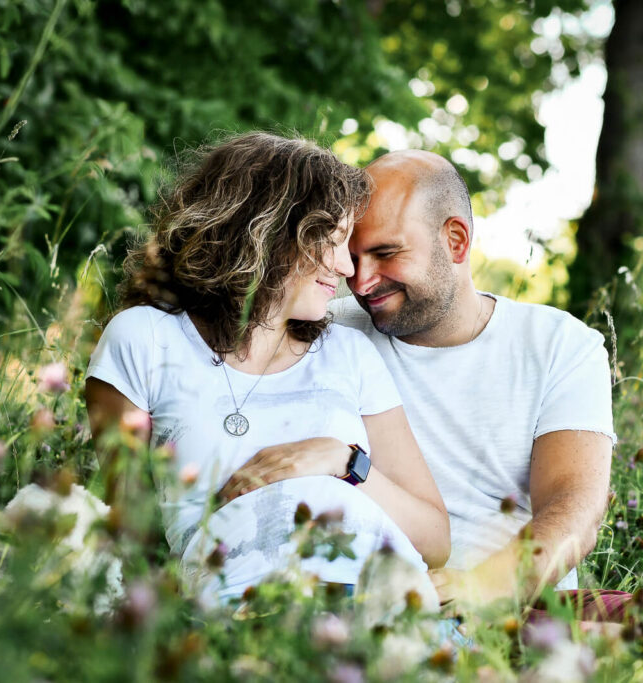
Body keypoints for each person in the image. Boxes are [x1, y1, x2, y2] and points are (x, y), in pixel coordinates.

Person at [325, 149, 643, 670]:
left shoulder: (559, 344)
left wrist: (480, 591)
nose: (360, 281)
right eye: (354, 259)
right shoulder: (329, 331)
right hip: (380, 600)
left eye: (385, 254)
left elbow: (574, 507)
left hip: (527, 602)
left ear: (455, 241)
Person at [84, 133, 449, 603]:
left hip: (380, 600)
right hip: (242, 613)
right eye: (333, 242)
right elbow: (136, 541)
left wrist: (340, 460)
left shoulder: (351, 354)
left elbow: (435, 541)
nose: (346, 268)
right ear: (268, 232)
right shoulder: (144, 340)